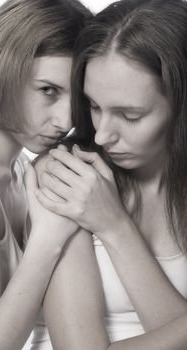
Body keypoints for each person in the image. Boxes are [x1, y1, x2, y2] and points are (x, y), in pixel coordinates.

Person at [34, 0, 187, 349]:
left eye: (130, 116)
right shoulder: (67, 173)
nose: (102, 135)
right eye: (93, 105)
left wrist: (115, 226)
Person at [0, 0, 92, 349]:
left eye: (76, 99)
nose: (65, 120)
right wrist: (48, 240)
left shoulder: (15, 167)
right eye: (48, 90)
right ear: (3, 69)